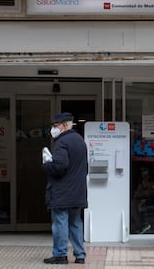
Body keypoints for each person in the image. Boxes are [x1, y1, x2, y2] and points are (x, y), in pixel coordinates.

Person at [42, 112, 88, 264]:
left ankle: (60, 255)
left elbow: (60, 167)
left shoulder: (62, 142)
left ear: (63, 125)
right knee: (76, 223)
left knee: (60, 223)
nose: (53, 129)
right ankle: (80, 255)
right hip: (77, 191)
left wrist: (47, 164)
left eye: (55, 126)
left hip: (62, 192)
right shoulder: (80, 140)